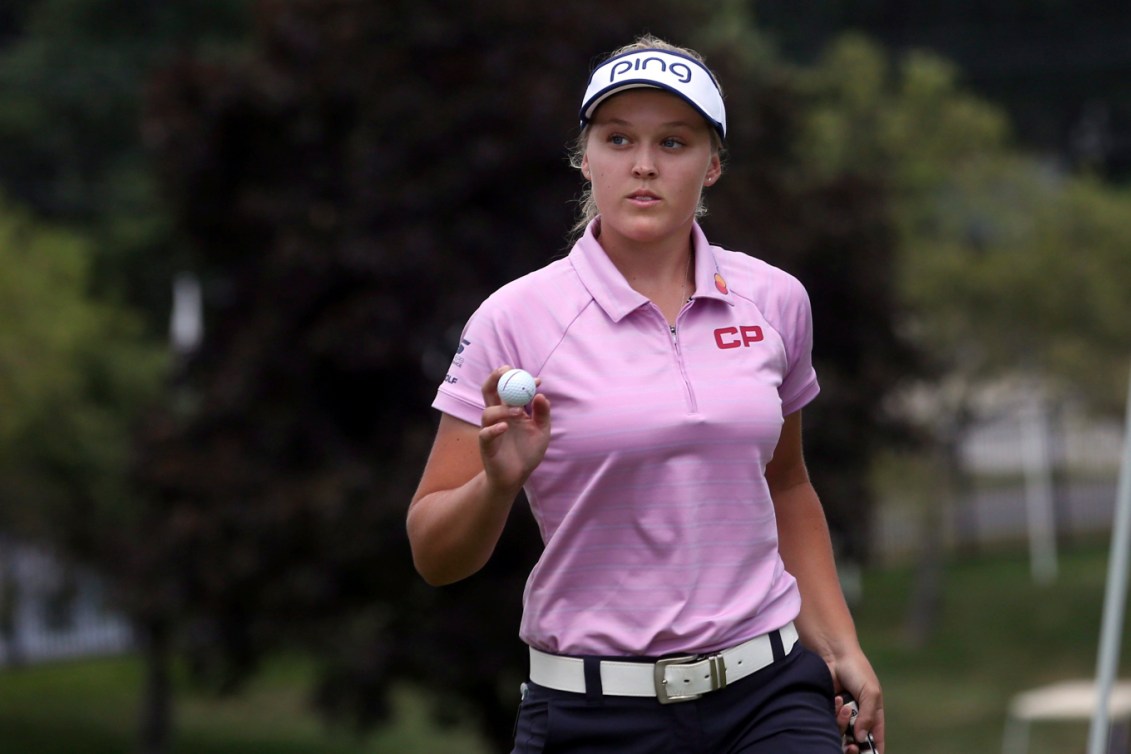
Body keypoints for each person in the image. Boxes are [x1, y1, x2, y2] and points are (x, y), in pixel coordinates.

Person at [407, 34, 885, 754]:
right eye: (618, 138)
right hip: (592, 714)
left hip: (768, 695)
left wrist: (840, 645)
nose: (643, 165)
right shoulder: (515, 319)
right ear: (584, 156)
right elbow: (433, 555)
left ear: (712, 163)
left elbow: (785, 484)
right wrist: (497, 486)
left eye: (673, 141)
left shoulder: (774, 300)